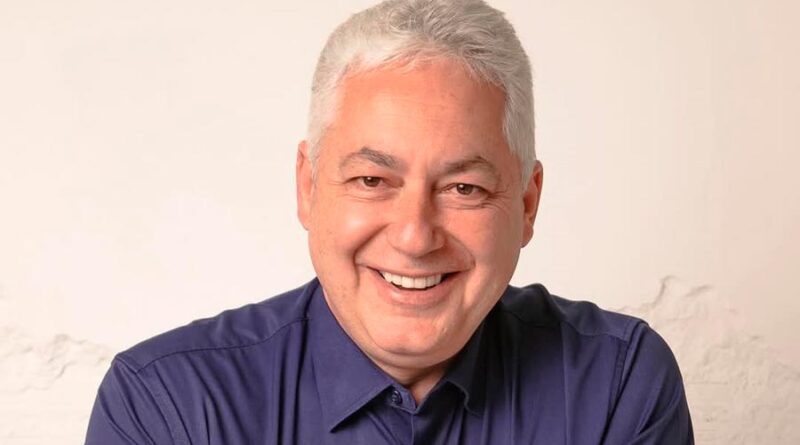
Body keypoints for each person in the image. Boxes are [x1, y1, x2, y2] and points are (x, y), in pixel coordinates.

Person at [85, 0, 693, 443]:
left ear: (527, 204)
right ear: (308, 187)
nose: (414, 236)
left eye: (463, 188)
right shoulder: (166, 407)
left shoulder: (616, 385)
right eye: (372, 181)